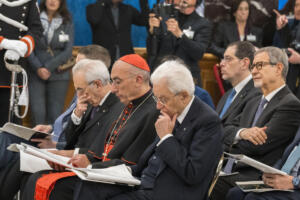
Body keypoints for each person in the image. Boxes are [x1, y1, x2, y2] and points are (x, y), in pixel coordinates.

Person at [66, 58, 224, 200]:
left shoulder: (207, 121)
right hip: (143, 183)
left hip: (168, 193)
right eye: (156, 98)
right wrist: (98, 170)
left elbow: (192, 173)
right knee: (90, 184)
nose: (158, 106)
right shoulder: (170, 111)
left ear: (183, 96)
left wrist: (166, 138)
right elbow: (145, 163)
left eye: (163, 99)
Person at [20, 54, 160, 200]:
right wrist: (83, 160)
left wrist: (89, 166)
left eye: (117, 82)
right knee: (35, 177)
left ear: (138, 80)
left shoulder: (152, 112)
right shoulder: (126, 104)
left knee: (57, 187)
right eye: (112, 81)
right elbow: (102, 151)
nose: (113, 88)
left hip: (118, 179)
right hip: (102, 171)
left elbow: (132, 165)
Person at [0, 44, 112, 170]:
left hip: (58, 146)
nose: (75, 68)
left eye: (80, 64)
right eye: (75, 64)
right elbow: (68, 120)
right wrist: (50, 127)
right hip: (50, 137)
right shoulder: (82, 89)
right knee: (6, 136)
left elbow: (83, 142)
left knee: (14, 156)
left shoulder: (93, 98)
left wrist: (56, 145)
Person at [211, 46, 300, 200]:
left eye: (259, 65)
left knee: (205, 181)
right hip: (231, 169)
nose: (253, 71)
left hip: (253, 174)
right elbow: (224, 129)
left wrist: (232, 138)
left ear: (278, 68)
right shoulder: (253, 101)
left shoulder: (290, 104)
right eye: (252, 66)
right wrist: (242, 133)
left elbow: (258, 146)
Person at [27, 0, 74, 125]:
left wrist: (47, 67)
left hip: (59, 73)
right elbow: (27, 45)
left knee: (55, 114)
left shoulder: (67, 20)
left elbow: (68, 50)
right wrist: (38, 68)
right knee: (38, 114)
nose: (52, 1)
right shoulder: (33, 19)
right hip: (35, 72)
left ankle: (52, 143)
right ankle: (34, 143)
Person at [147, 0, 212, 85]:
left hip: (186, 78)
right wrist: (152, 33)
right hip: (161, 75)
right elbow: (152, 50)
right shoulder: (165, 18)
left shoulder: (202, 23)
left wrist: (180, 35)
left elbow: (198, 53)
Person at [226, 126, 300, 200]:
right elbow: (285, 157)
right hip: (284, 180)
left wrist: (294, 182)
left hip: (296, 185)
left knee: (254, 198)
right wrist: (271, 172)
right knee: (235, 193)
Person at [0, 0, 43, 126]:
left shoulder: (29, 2)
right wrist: (4, 43)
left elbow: (36, 29)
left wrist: (24, 45)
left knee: (10, 123)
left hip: (13, 67)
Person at [216, 41, 261, 139]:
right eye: (222, 59)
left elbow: (240, 128)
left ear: (244, 63)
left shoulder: (257, 93)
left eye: (228, 59)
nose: (221, 64)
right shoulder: (227, 95)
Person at [274, 0, 300, 99]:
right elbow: (288, 46)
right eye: (297, 5)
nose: (298, 8)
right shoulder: (292, 25)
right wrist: (282, 28)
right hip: (289, 79)